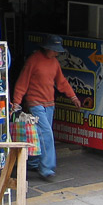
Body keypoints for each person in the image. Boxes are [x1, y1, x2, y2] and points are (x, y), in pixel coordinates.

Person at [11, 35, 81, 181]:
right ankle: (47, 169)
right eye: (55, 50)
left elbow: (61, 81)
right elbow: (22, 83)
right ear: (47, 48)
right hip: (35, 103)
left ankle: (33, 162)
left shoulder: (54, 63)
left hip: (50, 103)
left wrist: (73, 97)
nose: (57, 53)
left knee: (40, 135)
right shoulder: (33, 61)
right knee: (46, 134)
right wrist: (16, 103)